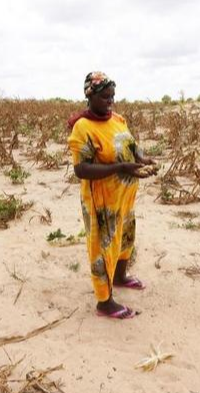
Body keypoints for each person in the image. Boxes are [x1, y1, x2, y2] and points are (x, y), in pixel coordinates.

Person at [67, 71, 156, 319]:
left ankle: (120, 277)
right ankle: (104, 302)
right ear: (90, 96)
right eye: (105, 97)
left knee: (125, 238)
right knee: (102, 246)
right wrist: (120, 168)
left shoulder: (117, 119)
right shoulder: (82, 127)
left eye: (112, 96)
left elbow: (130, 146)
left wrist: (141, 159)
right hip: (101, 202)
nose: (110, 101)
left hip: (124, 197)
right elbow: (81, 169)